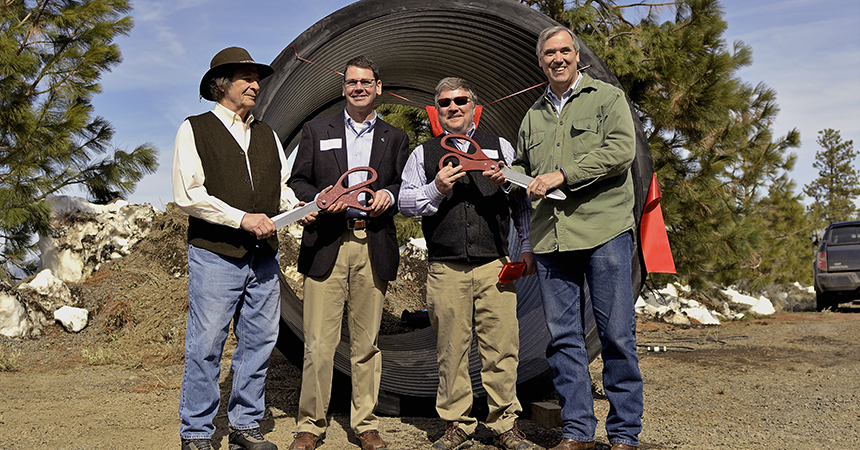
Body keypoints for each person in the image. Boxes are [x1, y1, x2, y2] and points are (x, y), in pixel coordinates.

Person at [506, 26, 644, 450]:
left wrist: (563, 175)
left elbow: (622, 150)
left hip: (604, 232)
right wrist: (509, 175)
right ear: (541, 61)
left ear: (577, 55)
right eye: (550, 53)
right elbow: (526, 168)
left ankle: (624, 435)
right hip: (552, 241)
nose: (558, 58)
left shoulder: (605, 98)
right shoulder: (532, 116)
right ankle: (578, 431)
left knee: (616, 335)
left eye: (565, 50)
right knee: (562, 339)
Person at [173, 47, 312, 450]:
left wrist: (296, 208)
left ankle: (245, 426)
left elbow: (281, 187)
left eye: (256, 78)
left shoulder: (267, 134)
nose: (255, 85)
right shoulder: (195, 128)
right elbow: (188, 194)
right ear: (222, 85)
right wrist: (241, 218)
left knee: (259, 342)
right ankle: (196, 432)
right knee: (206, 343)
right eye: (246, 78)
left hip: (264, 257)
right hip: (215, 253)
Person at [399, 77, 536, 450]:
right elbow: (405, 202)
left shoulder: (499, 146)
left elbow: (521, 200)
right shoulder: (423, 154)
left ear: (474, 106)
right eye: (445, 103)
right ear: (438, 110)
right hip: (445, 267)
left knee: (501, 346)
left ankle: (505, 423)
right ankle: (457, 423)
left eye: (460, 100)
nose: (453, 107)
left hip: (494, 264)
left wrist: (525, 245)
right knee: (451, 349)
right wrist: (436, 188)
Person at [286, 56, 410, 450]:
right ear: (343, 88)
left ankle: (365, 423)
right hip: (327, 243)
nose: (358, 87)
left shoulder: (396, 137)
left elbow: (403, 188)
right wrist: (319, 199)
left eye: (365, 81)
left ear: (378, 87)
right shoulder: (314, 130)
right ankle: (310, 424)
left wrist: (387, 195)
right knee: (319, 342)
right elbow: (298, 181)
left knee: (366, 343)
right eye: (351, 82)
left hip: (371, 242)